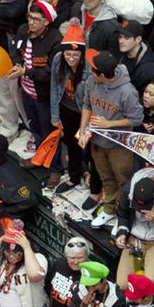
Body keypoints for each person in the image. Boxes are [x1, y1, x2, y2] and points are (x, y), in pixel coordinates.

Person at [78, 49, 143, 229]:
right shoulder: (92, 81)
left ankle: (122, 218)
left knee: (123, 180)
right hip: (97, 141)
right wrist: (83, 132)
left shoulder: (127, 91)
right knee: (106, 178)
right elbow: (87, 105)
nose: (89, 72)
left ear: (102, 75)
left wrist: (108, 124)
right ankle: (108, 210)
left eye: (93, 70)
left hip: (119, 145)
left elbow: (137, 119)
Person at [6, 1, 62, 144]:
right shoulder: (23, 30)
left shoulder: (55, 40)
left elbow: (51, 73)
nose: (31, 22)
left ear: (46, 22)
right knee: (34, 127)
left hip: (44, 97)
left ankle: (52, 165)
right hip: (26, 92)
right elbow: (15, 51)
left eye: (36, 19)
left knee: (48, 133)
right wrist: (17, 64)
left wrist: (25, 72)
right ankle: (37, 158)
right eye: (29, 17)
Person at [49, 23, 88, 193]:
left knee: (87, 146)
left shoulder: (88, 67)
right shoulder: (58, 59)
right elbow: (54, 87)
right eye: (68, 54)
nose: (71, 58)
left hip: (84, 112)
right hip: (67, 108)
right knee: (71, 144)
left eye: (75, 55)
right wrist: (55, 115)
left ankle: (90, 176)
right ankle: (74, 177)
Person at [115, 168, 154, 287]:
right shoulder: (129, 189)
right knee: (122, 284)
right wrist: (122, 233)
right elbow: (123, 215)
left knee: (146, 283)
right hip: (134, 240)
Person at [45, 236, 91, 307]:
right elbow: (48, 285)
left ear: (86, 257)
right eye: (72, 258)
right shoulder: (59, 264)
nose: (76, 262)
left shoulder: (90, 273)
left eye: (80, 258)